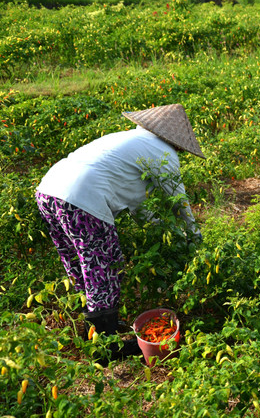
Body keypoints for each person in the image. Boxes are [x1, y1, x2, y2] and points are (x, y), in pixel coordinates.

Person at [35, 104, 205, 359]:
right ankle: (106, 347)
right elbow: (179, 204)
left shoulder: (127, 139)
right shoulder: (166, 154)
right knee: (105, 266)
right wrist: (194, 238)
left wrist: (158, 234)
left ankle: (92, 330)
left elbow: (139, 208)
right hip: (82, 198)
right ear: (179, 141)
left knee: (80, 261)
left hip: (48, 189)